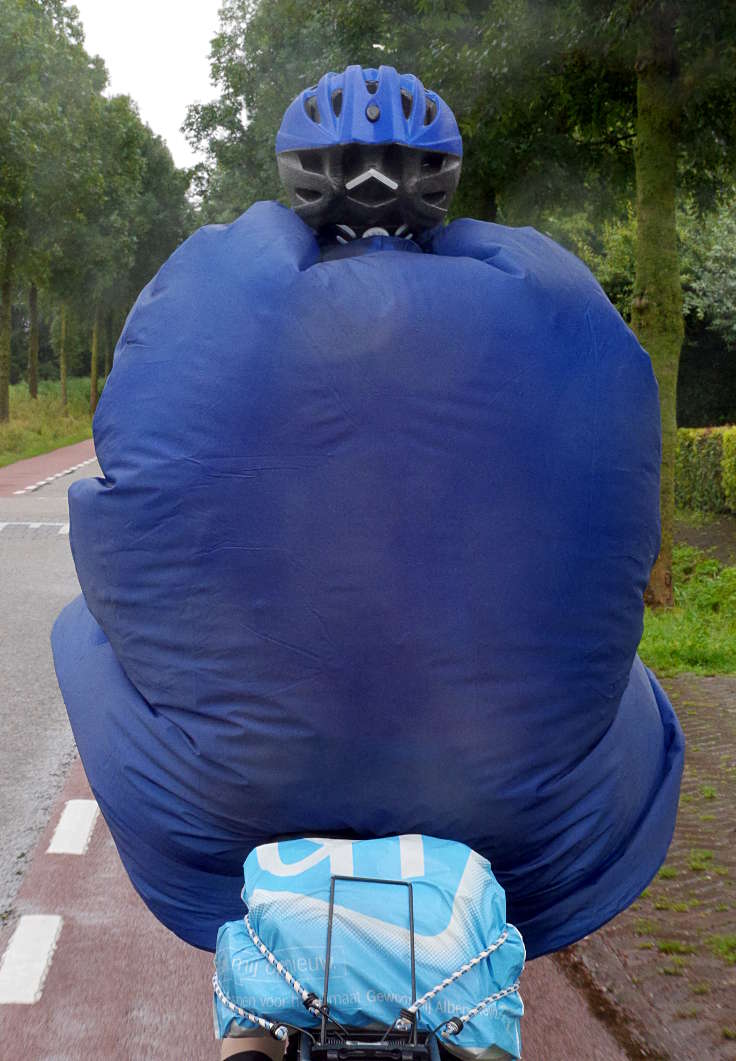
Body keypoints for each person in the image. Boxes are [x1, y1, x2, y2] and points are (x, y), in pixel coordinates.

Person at [52, 63, 683, 1061]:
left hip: (231, 802)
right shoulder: (555, 289)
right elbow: (612, 510)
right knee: (628, 684)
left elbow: (130, 520)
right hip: (509, 808)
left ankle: (248, 1034)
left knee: (83, 626)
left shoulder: (204, 286)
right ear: (446, 183)